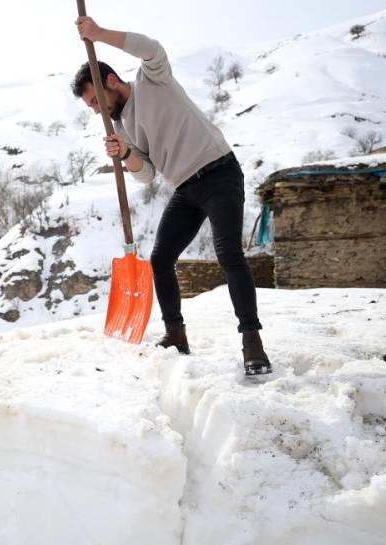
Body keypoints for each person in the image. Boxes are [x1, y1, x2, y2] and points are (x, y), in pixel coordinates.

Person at [72, 16, 272, 375]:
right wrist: (126, 154)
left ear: (112, 82)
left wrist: (99, 35)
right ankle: (176, 335)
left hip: (219, 171)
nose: (96, 110)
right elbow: (147, 175)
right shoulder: (121, 127)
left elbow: (151, 47)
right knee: (161, 259)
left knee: (229, 253)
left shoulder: (153, 79)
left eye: (95, 100)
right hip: (186, 188)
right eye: (90, 108)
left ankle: (252, 341)